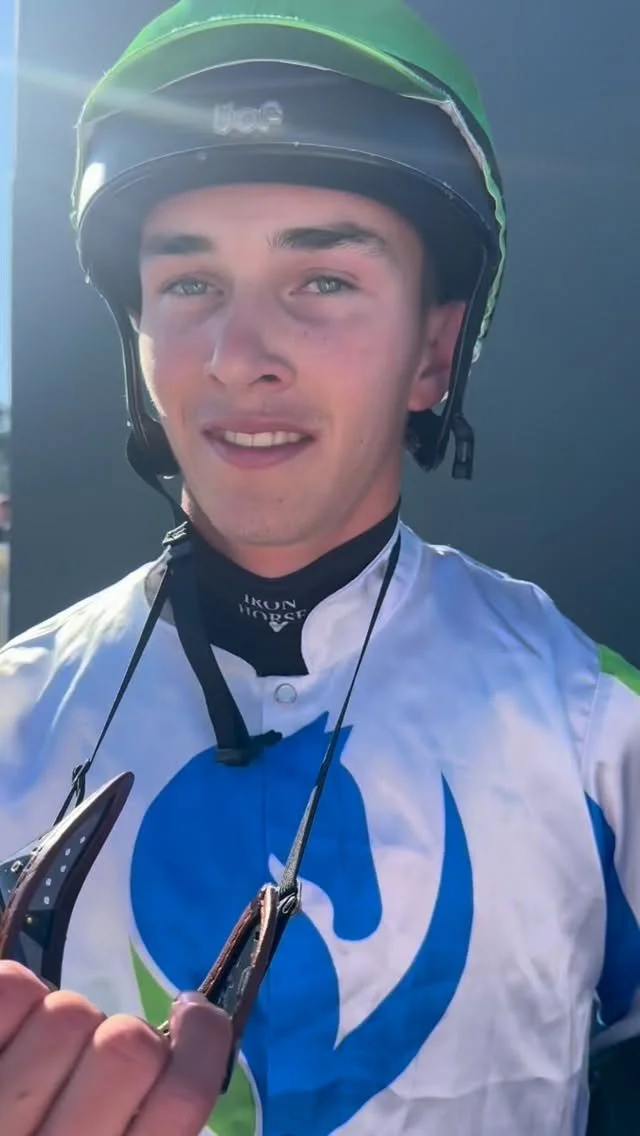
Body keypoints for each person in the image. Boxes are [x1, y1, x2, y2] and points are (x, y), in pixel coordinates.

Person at [0, 1, 638, 1134]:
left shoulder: (591, 720)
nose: (237, 357)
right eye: (188, 284)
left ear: (434, 351)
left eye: (323, 280)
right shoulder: (13, 716)